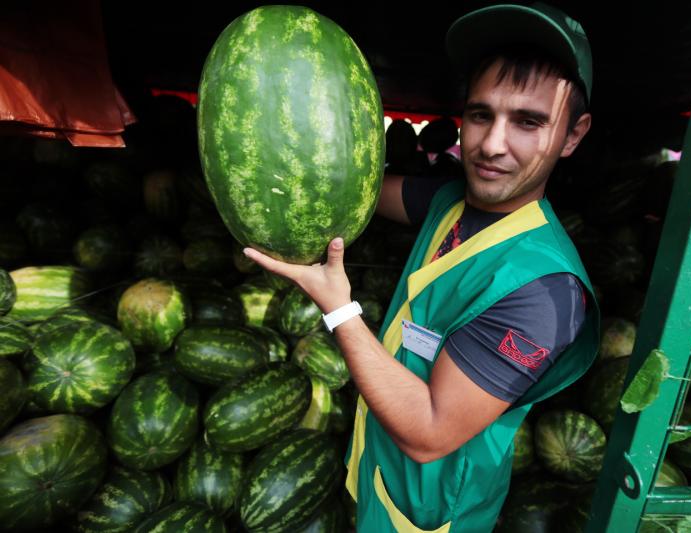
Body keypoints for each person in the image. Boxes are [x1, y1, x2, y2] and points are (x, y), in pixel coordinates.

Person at [244, 3, 600, 531]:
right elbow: (355, 194)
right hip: (380, 468)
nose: (492, 145)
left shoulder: (544, 291)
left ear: (572, 135)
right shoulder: (450, 200)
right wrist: (276, 169)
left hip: (430, 512)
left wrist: (339, 308)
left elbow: (429, 431)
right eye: (480, 115)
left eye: (528, 122)